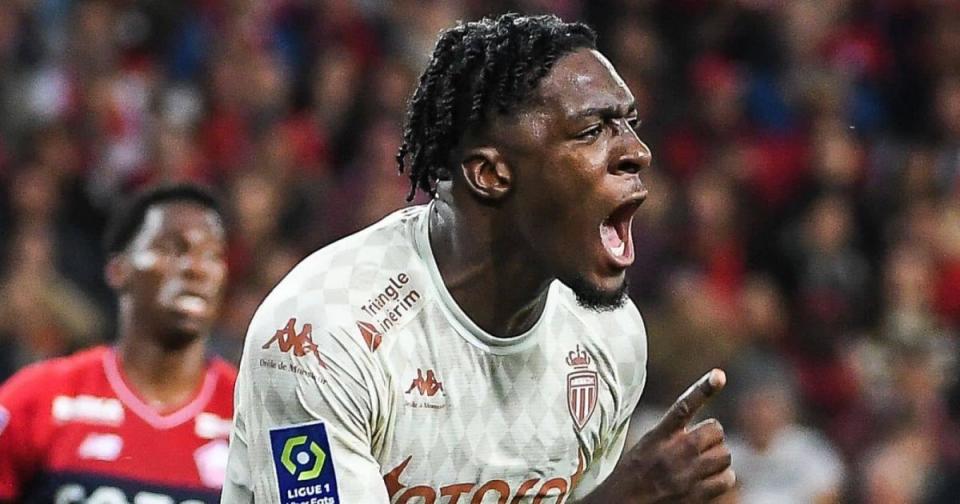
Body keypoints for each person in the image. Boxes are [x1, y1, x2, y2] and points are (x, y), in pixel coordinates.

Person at [224, 14, 735, 503]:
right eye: (592, 131)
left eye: (628, 123)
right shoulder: (322, 338)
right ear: (489, 175)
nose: (638, 152)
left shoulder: (608, 338)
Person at [0, 184, 237, 503]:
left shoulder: (248, 415)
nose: (195, 268)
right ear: (118, 270)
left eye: (211, 254)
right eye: (171, 249)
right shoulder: (37, 399)